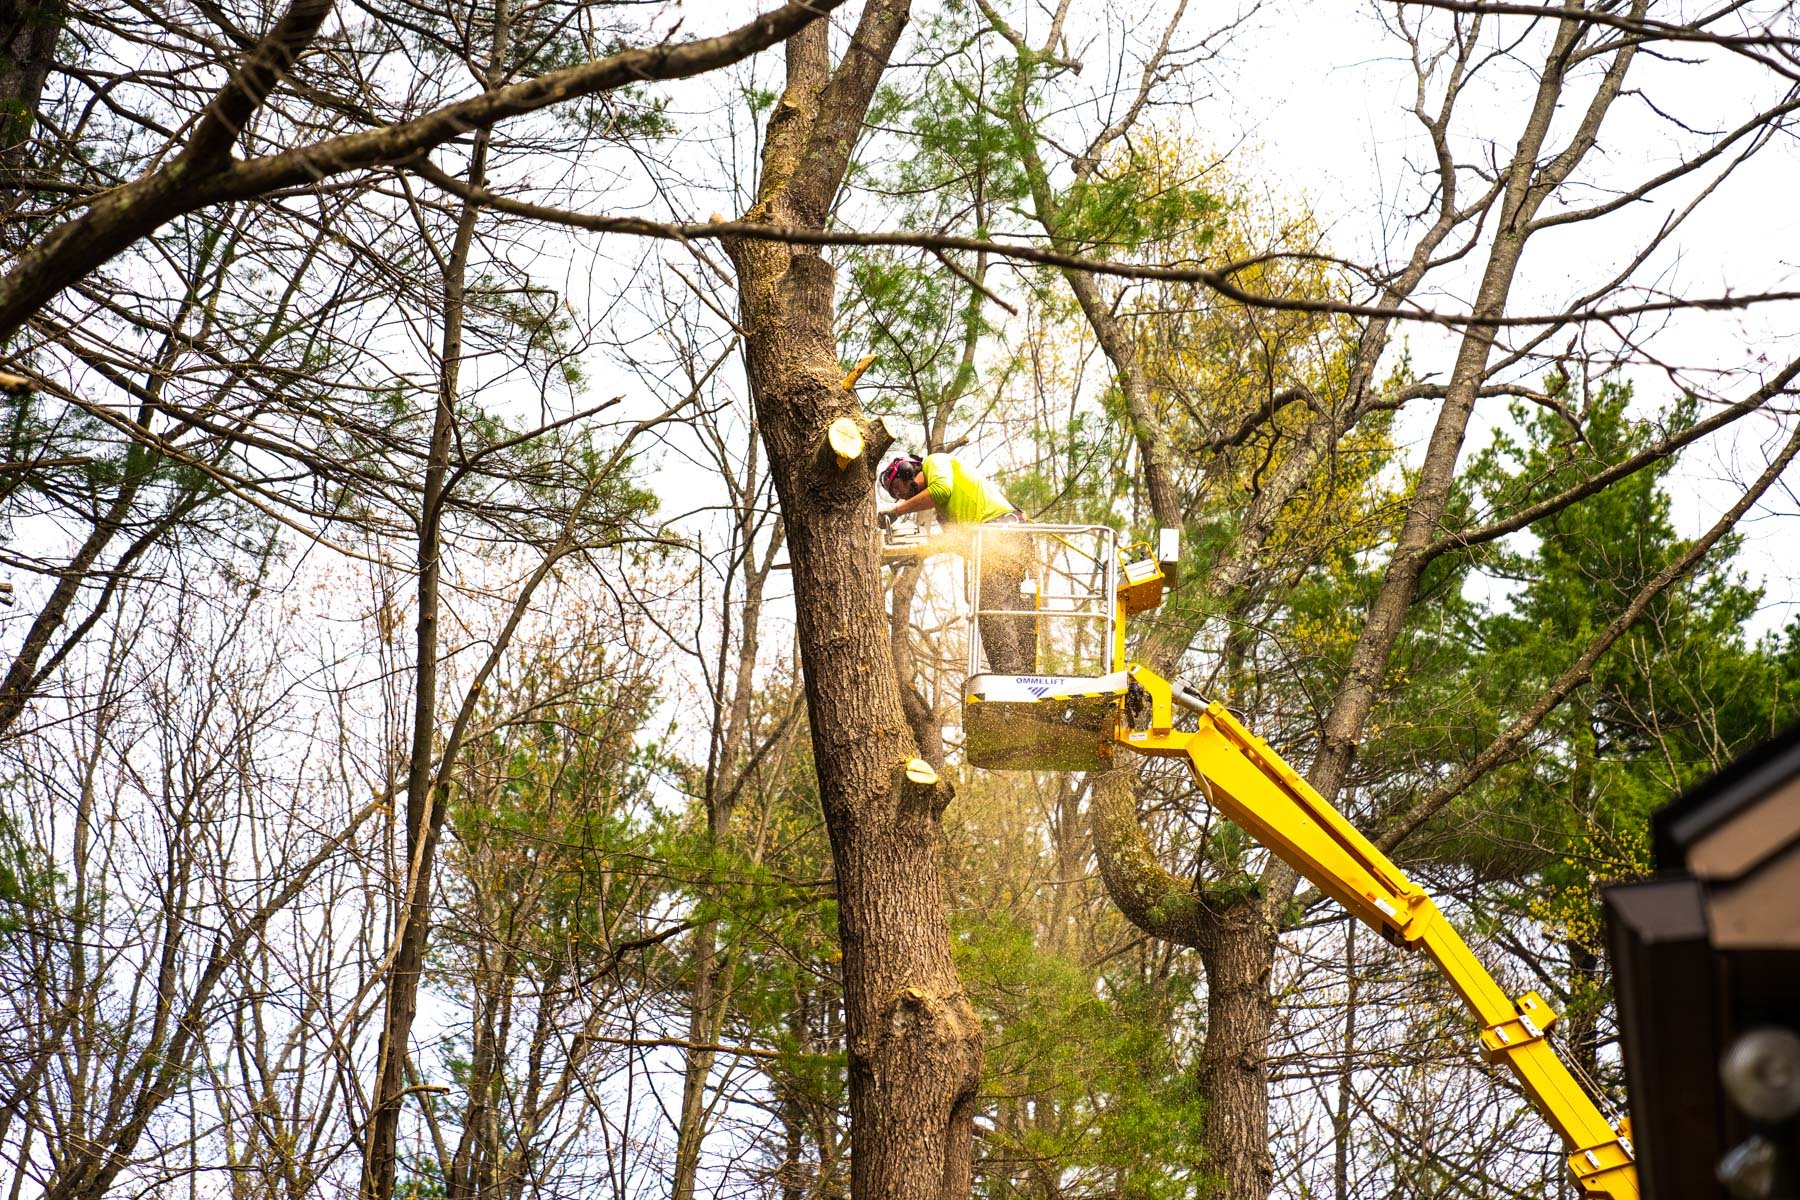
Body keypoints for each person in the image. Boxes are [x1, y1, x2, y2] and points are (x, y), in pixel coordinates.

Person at [879, 452, 1034, 675]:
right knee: (989, 614)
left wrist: (894, 512)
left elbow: (941, 491)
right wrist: (915, 551)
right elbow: (956, 542)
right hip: (991, 543)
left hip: (1003, 533)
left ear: (907, 471)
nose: (901, 497)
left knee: (995, 609)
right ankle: (1008, 672)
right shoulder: (946, 513)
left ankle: (1012, 675)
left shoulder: (935, 462)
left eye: (896, 489)